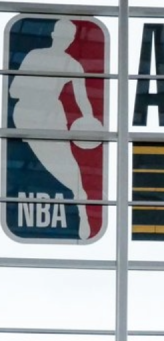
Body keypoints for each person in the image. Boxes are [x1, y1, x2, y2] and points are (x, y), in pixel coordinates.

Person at [8, 19, 98, 241]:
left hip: (48, 114)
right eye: (64, 35)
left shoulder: (72, 65)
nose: (65, 40)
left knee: (68, 168)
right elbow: (14, 91)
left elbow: (84, 101)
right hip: (32, 114)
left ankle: (81, 206)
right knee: (63, 166)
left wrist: (89, 121)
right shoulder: (37, 56)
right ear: (56, 35)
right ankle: (81, 203)